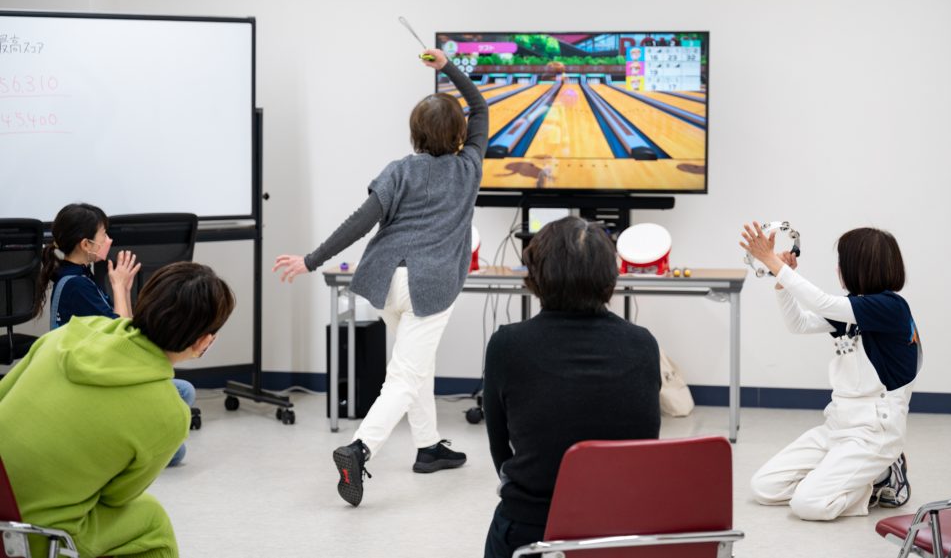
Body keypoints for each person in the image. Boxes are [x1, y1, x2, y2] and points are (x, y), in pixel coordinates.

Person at [273, 47, 488, 507]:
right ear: (460, 135)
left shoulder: (398, 171)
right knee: (406, 375)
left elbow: (360, 221)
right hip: (431, 287)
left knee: (416, 365)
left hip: (385, 282)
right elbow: (481, 107)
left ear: (415, 134)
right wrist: (447, 68)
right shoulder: (469, 167)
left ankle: (428, 447)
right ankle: (359, 448)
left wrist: (311, 260)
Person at [0, 262, 235, 558]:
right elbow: (117, 497)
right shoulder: (169, 413)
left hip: (4, 514)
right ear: (204, 341)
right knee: (152, 520)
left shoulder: (67, 335)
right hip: (32, 538)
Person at [482, 217, 662, 558]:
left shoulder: (506, 345)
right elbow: (645, 439)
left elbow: (500, 450)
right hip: (622, 530)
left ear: (536, 276)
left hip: (532, 530)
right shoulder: (643, 344)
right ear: (610, 276)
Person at [741, 223, 922, 520]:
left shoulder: (891, 308)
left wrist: (773, 262)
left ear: (858, 266)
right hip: (837, 425)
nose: (838, 268)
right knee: (764, 487)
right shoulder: (852, 308)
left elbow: (822, 302)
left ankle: (884, 477)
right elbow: (798, 323)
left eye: (841, 262)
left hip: (873, 432)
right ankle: (861, 474)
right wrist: (782, 282)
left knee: (807, 504)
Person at [33, 202, 197, 466]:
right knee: (183, 396)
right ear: (86, 244)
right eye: (104, 235)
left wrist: (125, 288)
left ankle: (125, 438)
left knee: (177, 421)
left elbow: (128, 331)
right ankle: (116, 441)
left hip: (102, 372)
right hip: (90, 388)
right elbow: (122, 339)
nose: (109, 240)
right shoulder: (76, 286)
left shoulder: (81, 278)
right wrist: (118, 287)